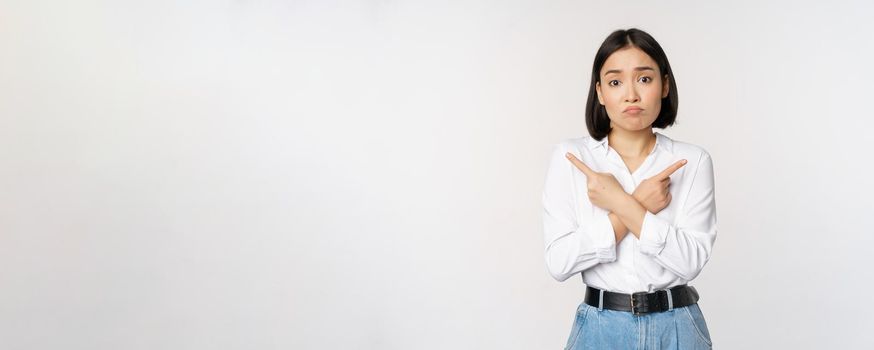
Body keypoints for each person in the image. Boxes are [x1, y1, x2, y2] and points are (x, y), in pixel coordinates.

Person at [542, 28, 718, 349]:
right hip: (599, 327)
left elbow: (690, 262)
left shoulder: (692, 161)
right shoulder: (572, 158)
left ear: (664, 85)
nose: (631, 95)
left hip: (677, 326)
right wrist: (637, 204)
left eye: (644, 79)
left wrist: (619, 203)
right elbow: (559, 263)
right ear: (599, 92)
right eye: (615, 82)